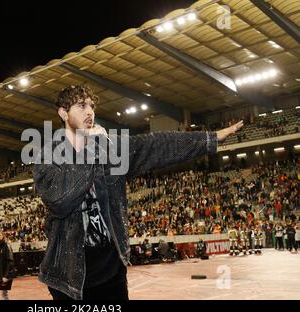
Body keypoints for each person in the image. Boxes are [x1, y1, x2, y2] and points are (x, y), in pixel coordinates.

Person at [33, 84, 243, 300]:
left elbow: (156, 145)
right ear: (63, 113)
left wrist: (209, 139)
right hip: (67, 279)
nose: (90, 111)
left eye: (92, 106)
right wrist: (93, 146)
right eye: (81, 105)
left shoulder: (110, 149)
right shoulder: (48, 156)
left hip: (112, 273)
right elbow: (59, 199)